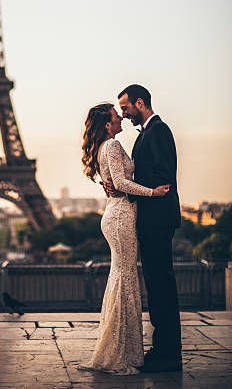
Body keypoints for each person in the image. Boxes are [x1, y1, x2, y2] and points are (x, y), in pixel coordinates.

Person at [78, 102, 171, 375]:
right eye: (115, 116)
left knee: (121, 277)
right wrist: (153, 192)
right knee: (126, 278)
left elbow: (110, 179)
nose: (120, 118)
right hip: (121, 218)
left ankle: (119, 347)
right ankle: (123, 351)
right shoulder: (113, 146)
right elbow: (119, 183)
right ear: (107, 124)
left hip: (115, 215)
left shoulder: (103, 147)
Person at [103, 84, 182, 373]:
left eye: (125, 108)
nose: (123, 114)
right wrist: (118, 184)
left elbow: (162, 177)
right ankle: (164, 349)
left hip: (157, 220)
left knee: (161, 285)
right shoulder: (147, 134)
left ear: (140, 102)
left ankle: (168, 354)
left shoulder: (158, 131)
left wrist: (135, 191)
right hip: (151, 219)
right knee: (158, 286)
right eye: (119, 110)